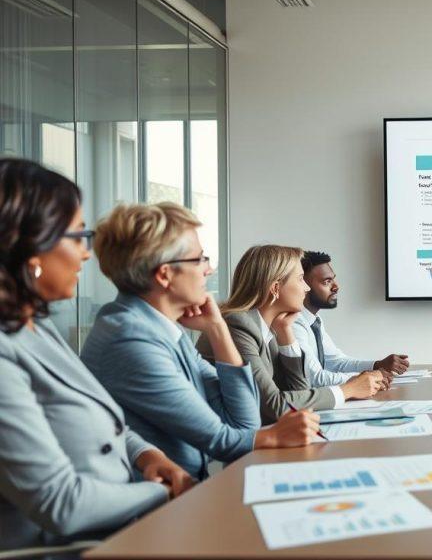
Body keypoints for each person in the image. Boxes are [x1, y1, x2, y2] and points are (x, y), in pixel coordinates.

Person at [0, 159, 191, 551]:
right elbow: (60, 504)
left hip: (117, 535)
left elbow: (102, 424)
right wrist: (162, 493)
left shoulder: (38, 325)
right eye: (77, 236)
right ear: (32, 249)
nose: (87, 254)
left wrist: (146, 455)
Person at [81, 203, 322, 481]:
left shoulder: (162, 328)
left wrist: (217, 328)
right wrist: (270, 436)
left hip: (187, 492)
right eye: (199, 259)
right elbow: (224, 440)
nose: (208, 270)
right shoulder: (129, 339)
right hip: (156, 506)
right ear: (165, 274)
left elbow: (243, 421)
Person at [197, 245, 386, 424]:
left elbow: (300, 391)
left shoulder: (269, 328)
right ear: (275, 288)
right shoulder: (238, 325)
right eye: (301, 279)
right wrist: (347, 390)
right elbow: (274, 406)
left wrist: (286, 334)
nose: (307, 288)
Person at [293, 250, 409, 389]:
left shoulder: (313, 321)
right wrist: (368, 378)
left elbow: (336, 363)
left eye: (333, 279)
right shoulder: (294, 323)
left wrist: (377, 366)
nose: (336, 287)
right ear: (303, 285)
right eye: (327, 281)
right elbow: (316, 379)